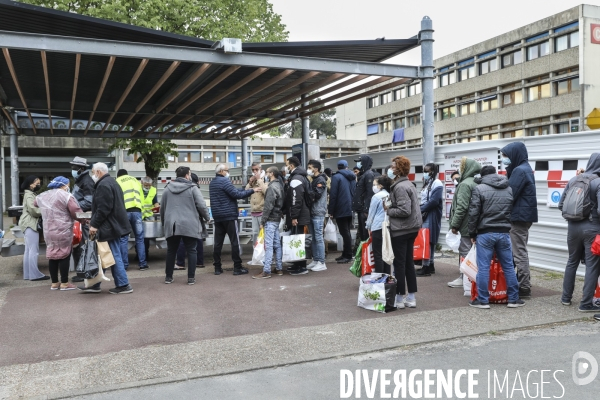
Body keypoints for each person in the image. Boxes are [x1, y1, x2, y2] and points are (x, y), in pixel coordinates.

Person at [468, 165, 524, 309]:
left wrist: (472, 233)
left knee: (484, 268)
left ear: (482, 176)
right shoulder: (508, 188)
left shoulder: (479, 189)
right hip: (504, 232)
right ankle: (513, 299)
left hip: (485, 233)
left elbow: (474, 213)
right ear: (495, 174)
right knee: (509, 267)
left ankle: (483, 300)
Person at [81, 162, 132, 294]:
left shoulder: (103, 185)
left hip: (107, 227)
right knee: (100, 254)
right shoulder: (112, 183)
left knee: (111, 255)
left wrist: (94, 225)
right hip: (112, 225)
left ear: (98, 172)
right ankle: (94, 283)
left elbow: (103, 209)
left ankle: (123, 284)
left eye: (93, 172)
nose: (92, 175)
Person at [559, 153, 600, 312]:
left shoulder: (573, 180)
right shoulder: (598, 182)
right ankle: (586, 303)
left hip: (572, 227)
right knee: (592, 266)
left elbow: (561, 205)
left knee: (572, 261)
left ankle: (566, 298)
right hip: (592, 228)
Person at [500, 142, 538, 298]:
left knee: (518, 252)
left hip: (518, 217)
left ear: (514, 154)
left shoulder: (520, 171)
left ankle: (524, 287)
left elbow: (510, 194)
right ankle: (519, 282)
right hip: (523, 216)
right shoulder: (524, 168)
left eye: (506, 156)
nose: (504, 159)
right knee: (518, 250)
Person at [161, 166, 210, 285]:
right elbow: (202, 205)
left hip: (172, 224)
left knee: (171, 251)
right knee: (192, 250)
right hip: (190, 223)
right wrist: (207, 217)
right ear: (187, 175)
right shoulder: (193, 188)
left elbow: (163, 208)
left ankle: (168, 277)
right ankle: (191, 278)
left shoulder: (167, 188)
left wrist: (164, 223)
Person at [386, 156, 422, 309]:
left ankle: (399, 298)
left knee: (399, 264)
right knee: (408, 264)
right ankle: (411, 297)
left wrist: (388, 209)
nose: (391, 168)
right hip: (412, 228)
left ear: (399, 169)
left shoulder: (399, 187)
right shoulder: (409, 184)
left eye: (393, 166)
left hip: (401, 229)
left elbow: (404, 210)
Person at [34, 176, 82, 291]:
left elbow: (35, 203)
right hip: (63, 229)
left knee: (52, 255)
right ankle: (65, 283)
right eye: (67, 186)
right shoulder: (66, 196)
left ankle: (54, 283)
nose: (67, 188)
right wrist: (85, 220)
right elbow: (76, 212)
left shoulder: (43, 195)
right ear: (63, 185)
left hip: (48, 231)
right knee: (64, 254)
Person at [210, 163, 257, 276]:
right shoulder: (225, 181)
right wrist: (252, 190)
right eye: (227, 170)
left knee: (218, 243)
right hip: (229, 216)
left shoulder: (212, 183)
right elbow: (236, 194)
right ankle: (237, 267)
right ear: (221, 171)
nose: (228, 172)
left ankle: (217, 267)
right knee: (234, 242)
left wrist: (248, 186)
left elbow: (232, 191)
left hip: (218, 216)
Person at [448, 158, 481, 292]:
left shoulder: (464, 185)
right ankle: (471, 277)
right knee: (474, 253)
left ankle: (464, 278)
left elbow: (461, 207)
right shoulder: (476, 182)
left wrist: (454, 225)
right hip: (476, 224)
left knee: (465, 252)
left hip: (466, 226)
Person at [253, 167, 285, 279]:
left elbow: (268, 206)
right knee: (277, 244)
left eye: (267, 172)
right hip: (277, 218)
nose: (265, 174)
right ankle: (279, 268)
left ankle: (266, 270)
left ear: (271, 174)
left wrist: (263, 221)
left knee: (269, 245)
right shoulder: (280, 185)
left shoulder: (272, 187)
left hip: (270, 219)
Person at [282, 156, 311, 275]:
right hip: (301, 214)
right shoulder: (300, 177)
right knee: (297, 240)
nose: (286, 167)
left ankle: (301, 266)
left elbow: (296, 199)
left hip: (299, 215)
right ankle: (297, 264)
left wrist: (294, 216)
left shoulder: (296, 179)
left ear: (292, 165)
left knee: (298, 240)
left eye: (287, 164)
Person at [116, 169, 148, 271]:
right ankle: (142, 264)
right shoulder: (135, 180)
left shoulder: (118, 181)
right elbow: (141, 197)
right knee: (139, 238)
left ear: (118, 175)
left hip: (124, 212)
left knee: (123, 239)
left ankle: (125, 265)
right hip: (137, 211)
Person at [70, 156, 95, 283]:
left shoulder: (87, 181)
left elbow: (89, 202)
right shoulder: (80, 180)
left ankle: (85, 273)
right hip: (80, 219)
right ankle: (81, 272)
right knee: (79, 246)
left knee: (84, 246)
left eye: (74, 167)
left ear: (81, 168)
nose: (72, 169)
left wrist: (73, 207)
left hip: (85, 220)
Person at [19, 175, 49, 281]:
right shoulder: (29, 195)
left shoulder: (29, 194)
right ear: (30, 184)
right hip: (30, 224)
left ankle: (28, 274)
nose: (38, 185)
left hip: (27, 224)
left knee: (28, 250)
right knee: (33, 250)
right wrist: (46, 210)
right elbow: (34, 211)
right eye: (36, 183)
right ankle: (34, 275)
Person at [417, 163, 444, 277]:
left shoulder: (437, 183)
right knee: (428, 239)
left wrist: (420, 209)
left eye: (427, 171)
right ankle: (430, 265)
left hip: (431, 213)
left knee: (428, 239)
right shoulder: (428, 183)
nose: (425, 173)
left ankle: (426, 267)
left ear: (433, 172)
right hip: (426, 213)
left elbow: (434, 201)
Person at [175, 173, 206, 270]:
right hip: (196, 218)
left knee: (182, 241)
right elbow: (201, 205)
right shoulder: (196, 189)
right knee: (198, 239)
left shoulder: (183, 188)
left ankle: (180, 263)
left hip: (184, 218)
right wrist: (206, 216)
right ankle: (199, 262)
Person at [328, 160, 356, 263]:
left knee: (344, 232)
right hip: (350, 207)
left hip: (340, 208)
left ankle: (347, 255)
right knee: (347, 231)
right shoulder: (352, 176)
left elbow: (333, 195)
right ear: (346, 167)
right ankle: (345, 253)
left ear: (338, 167)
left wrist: (331, 210)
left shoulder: (336, 177)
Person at [366, 175, 393, 274]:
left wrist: (368, 227)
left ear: (380, 185)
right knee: (386, 252)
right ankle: (387, 276)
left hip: (377, 226)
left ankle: (379, 277)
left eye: (375, 185)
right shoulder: (389, 195)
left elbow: (371, 214)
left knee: (378, 254)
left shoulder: (376, 197)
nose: (373, 187)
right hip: (388, 226)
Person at [306, 159, 328, 272]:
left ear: (316, 169)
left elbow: (317, 194)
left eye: (310, 167)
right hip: (313, 211)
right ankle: (316, 259)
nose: (309, 169)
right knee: (314, 237)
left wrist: (307, 191)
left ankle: (321, 262)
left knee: (318, 237)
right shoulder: (314, 179)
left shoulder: (320, 180)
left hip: (318, 211)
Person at [353, 155, 378, 243]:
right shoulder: (364, 174)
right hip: (361, 208)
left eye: (360, 161)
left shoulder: (368, 174)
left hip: (364, 209)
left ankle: (367, 254)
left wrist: (366, 209)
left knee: (365, 234)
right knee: (363, 233)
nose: (358, 164)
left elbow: (369, 192)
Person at [246, 162, 268, 245]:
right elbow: (246, 192)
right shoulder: (253, 180)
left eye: (256, 169)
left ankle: (265, 254)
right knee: (255, 234)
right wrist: (250, 183)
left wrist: (259, 179)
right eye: (253, 170)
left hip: (262, 211)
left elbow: (266, 191)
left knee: (264, 234)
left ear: (260, 169)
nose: (254, 171)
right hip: (254, 211)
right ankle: (256, 254)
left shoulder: (265, 179)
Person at [141, 176, 159, 260]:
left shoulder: (153, 190)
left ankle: (145, 254)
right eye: (146, 185)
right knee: (139, 237)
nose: (147, 187)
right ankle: (140, 254)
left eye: (149, 185)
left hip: (148, 216)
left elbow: (155, 202)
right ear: (142, 183)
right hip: (139, 216)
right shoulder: (138, 189)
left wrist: (157, 207)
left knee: (146, 237)